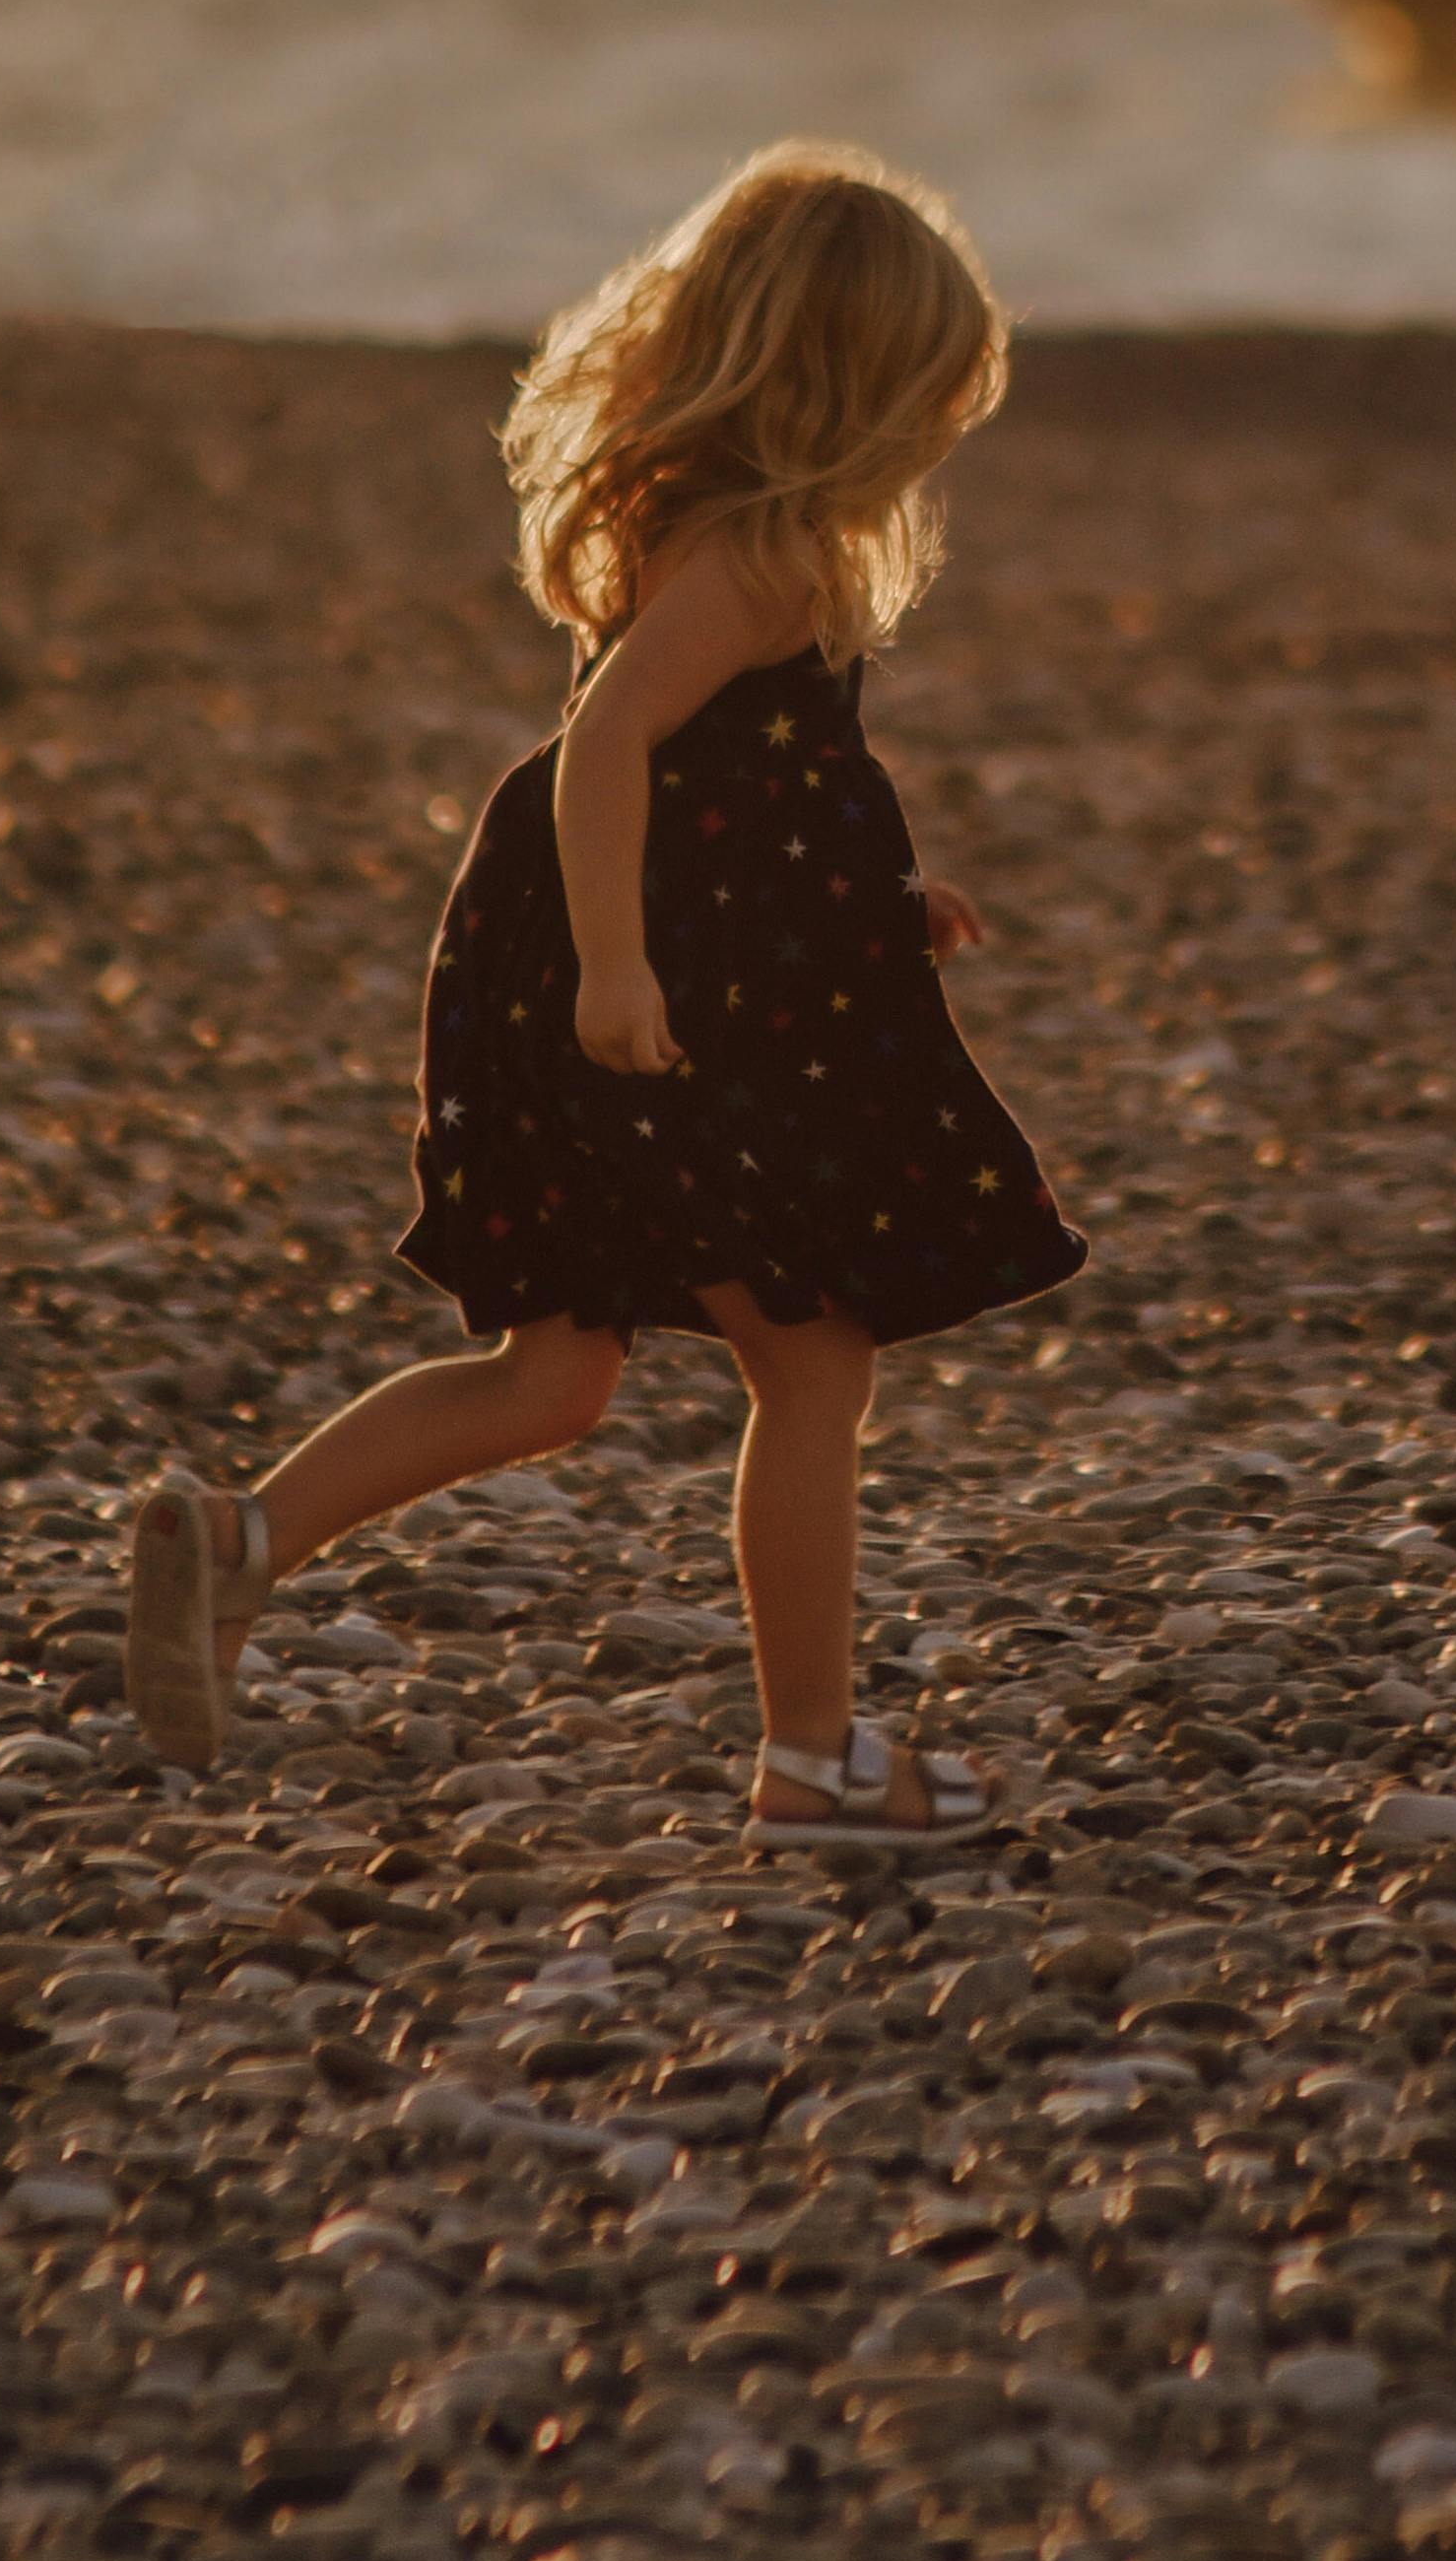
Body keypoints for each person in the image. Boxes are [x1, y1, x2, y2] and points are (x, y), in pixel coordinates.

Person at [130, 140, 1087, 1852]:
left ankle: (238, 1546)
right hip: (630, 981)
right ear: (853, 388)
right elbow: (607, 751)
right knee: (809, 1364)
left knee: (553, 1374)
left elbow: (746, 790)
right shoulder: (761, 559)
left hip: (621, 956)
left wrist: (874, 898)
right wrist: (619, 969)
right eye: (928, 394)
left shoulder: (710, 523)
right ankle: (812, 1763)